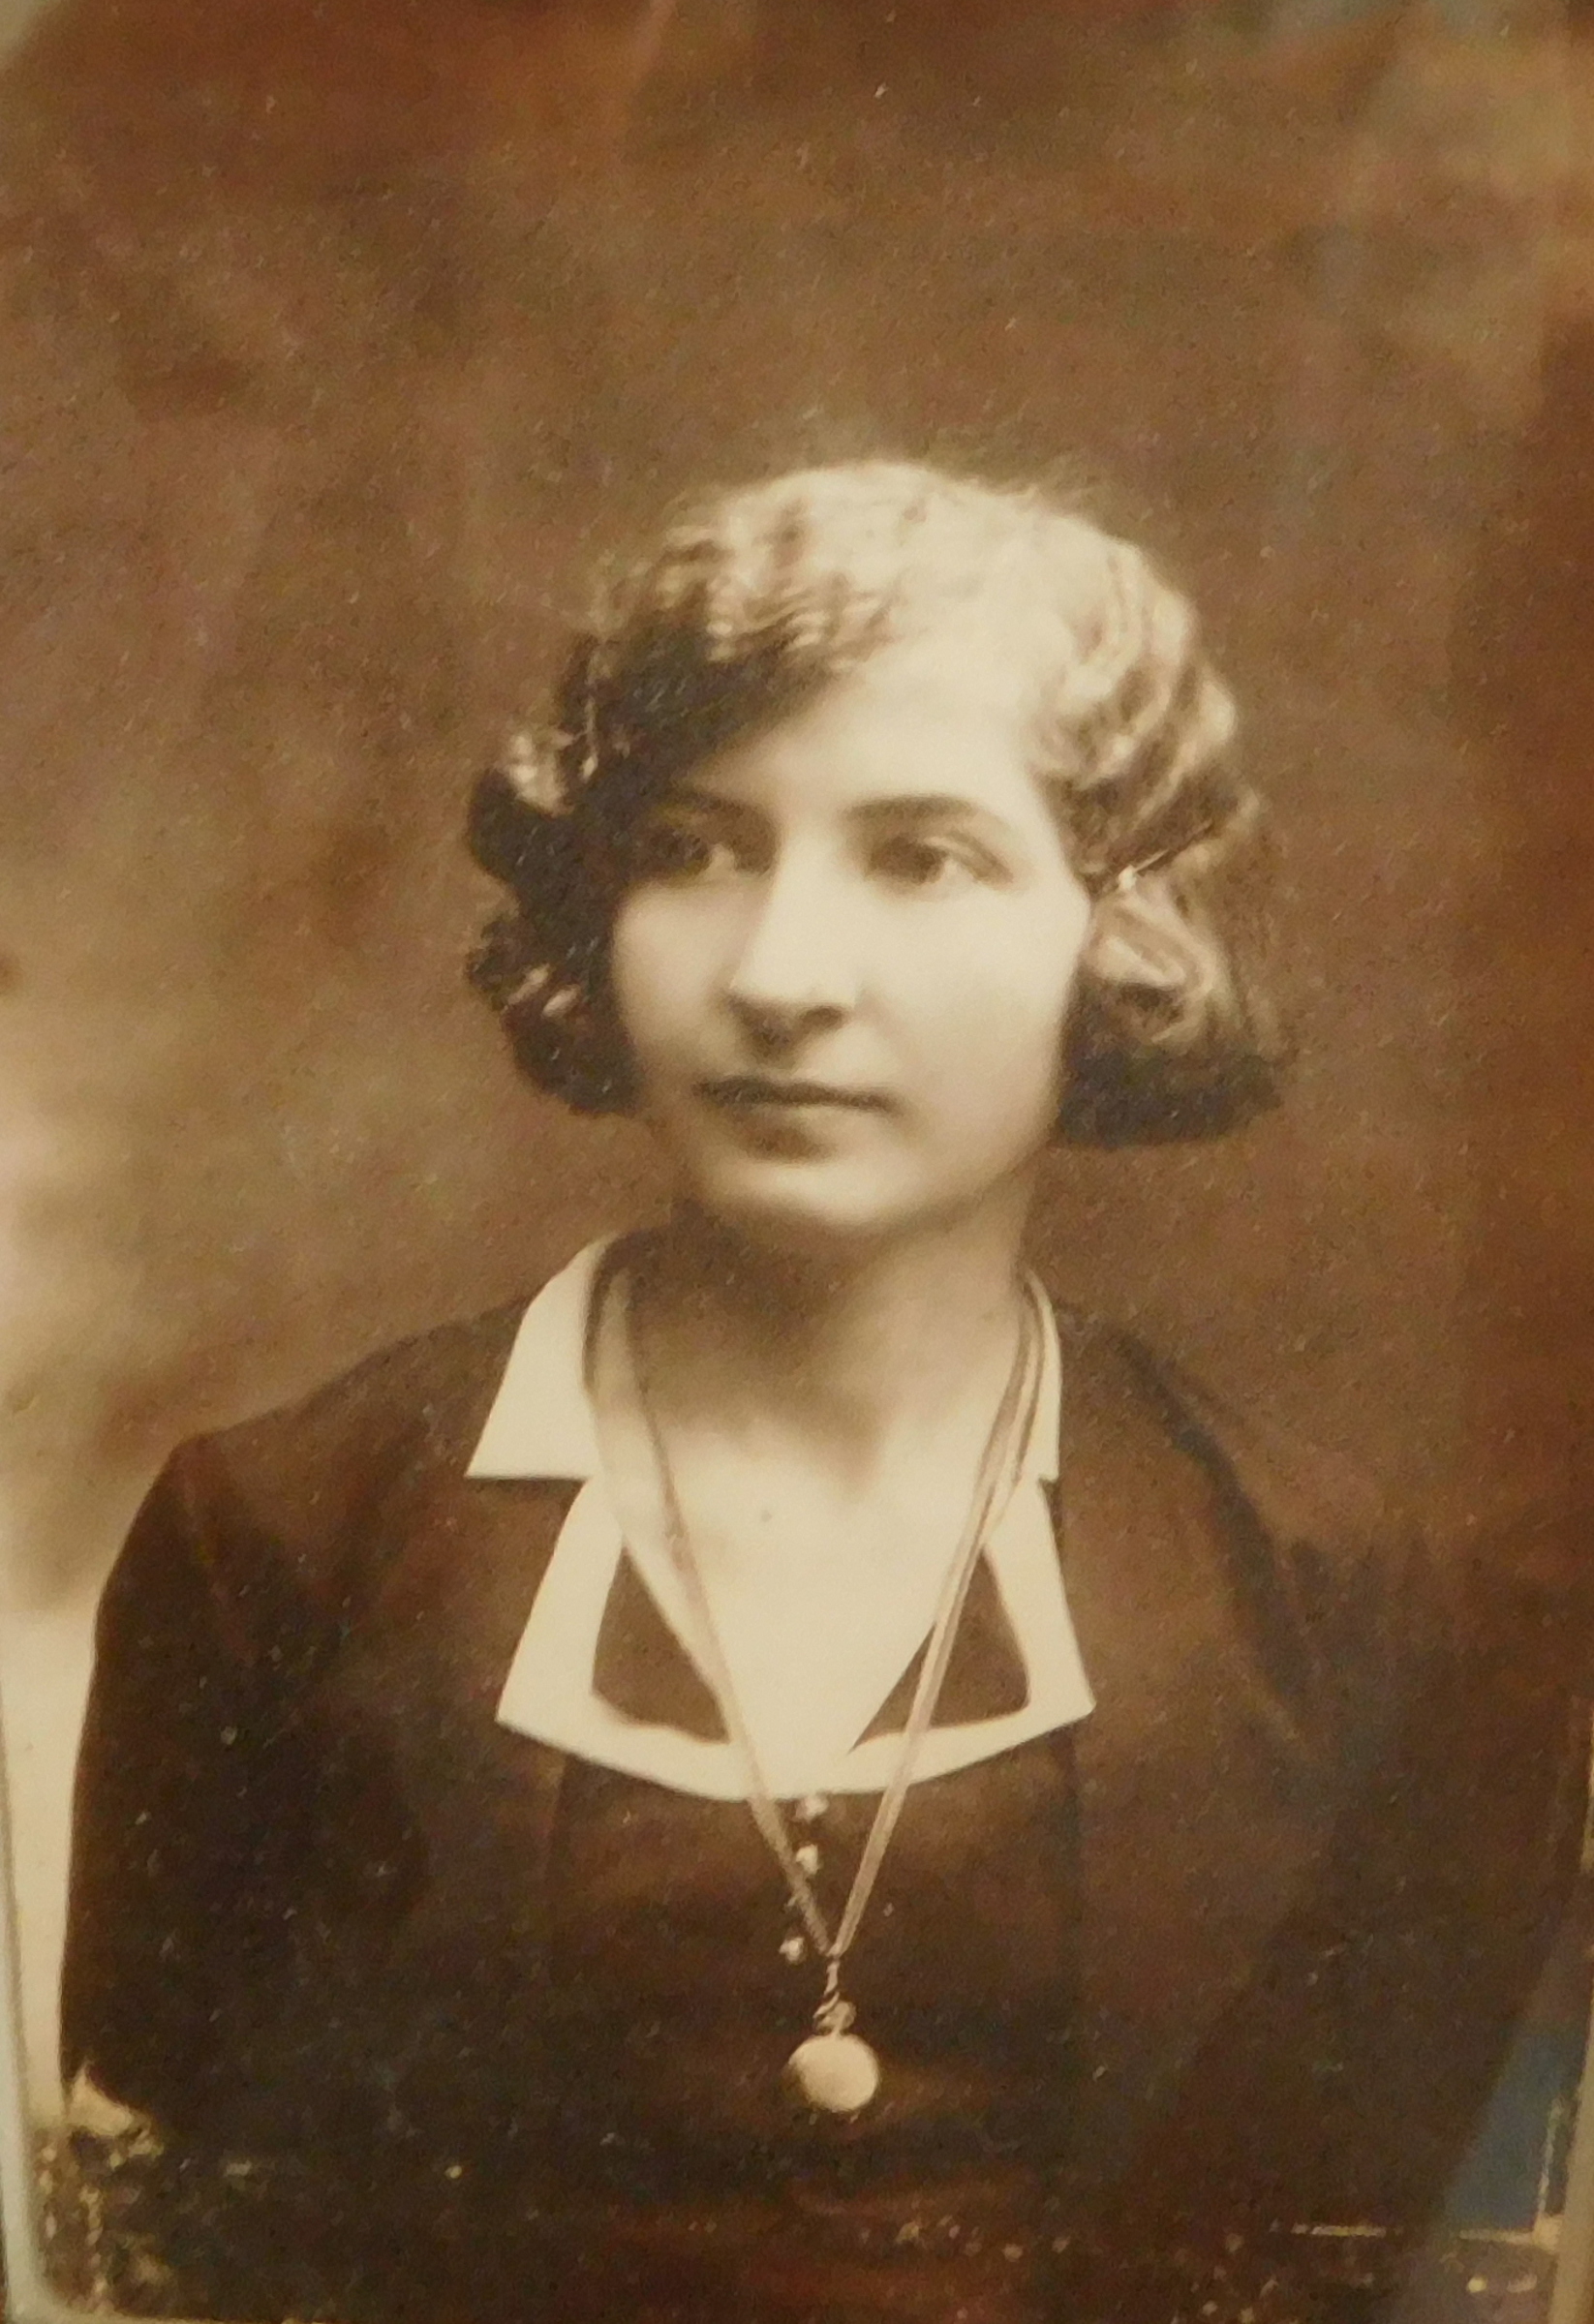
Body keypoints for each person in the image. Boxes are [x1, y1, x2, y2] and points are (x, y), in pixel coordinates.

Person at [59, 464, 1584, 2324]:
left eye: (921, 857)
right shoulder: (284, 1544)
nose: (780, 977)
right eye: (692, 849)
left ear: (1126, 928)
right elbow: (151, 2279)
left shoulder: (1332, 1592)